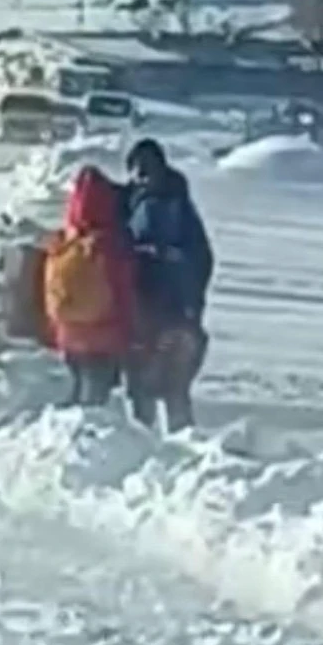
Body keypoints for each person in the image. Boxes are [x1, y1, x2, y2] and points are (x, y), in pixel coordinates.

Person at [121, 137, 214, 431]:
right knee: (171, 387)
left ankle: (148, 447)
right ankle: (175, 450)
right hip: (172, 309)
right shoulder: (171, 200)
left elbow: (197, 259)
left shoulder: (158, 205)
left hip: (156, 309)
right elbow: (203, 258)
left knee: (150, 386)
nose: (141, 176)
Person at [42, 165, 136, 407]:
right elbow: (122, 292)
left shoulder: (63, 242)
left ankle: (61, 435)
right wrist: (128, 334)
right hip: (102, 336)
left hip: (69, 335)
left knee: (79, 391)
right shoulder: (108, 245)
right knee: (96, 403)